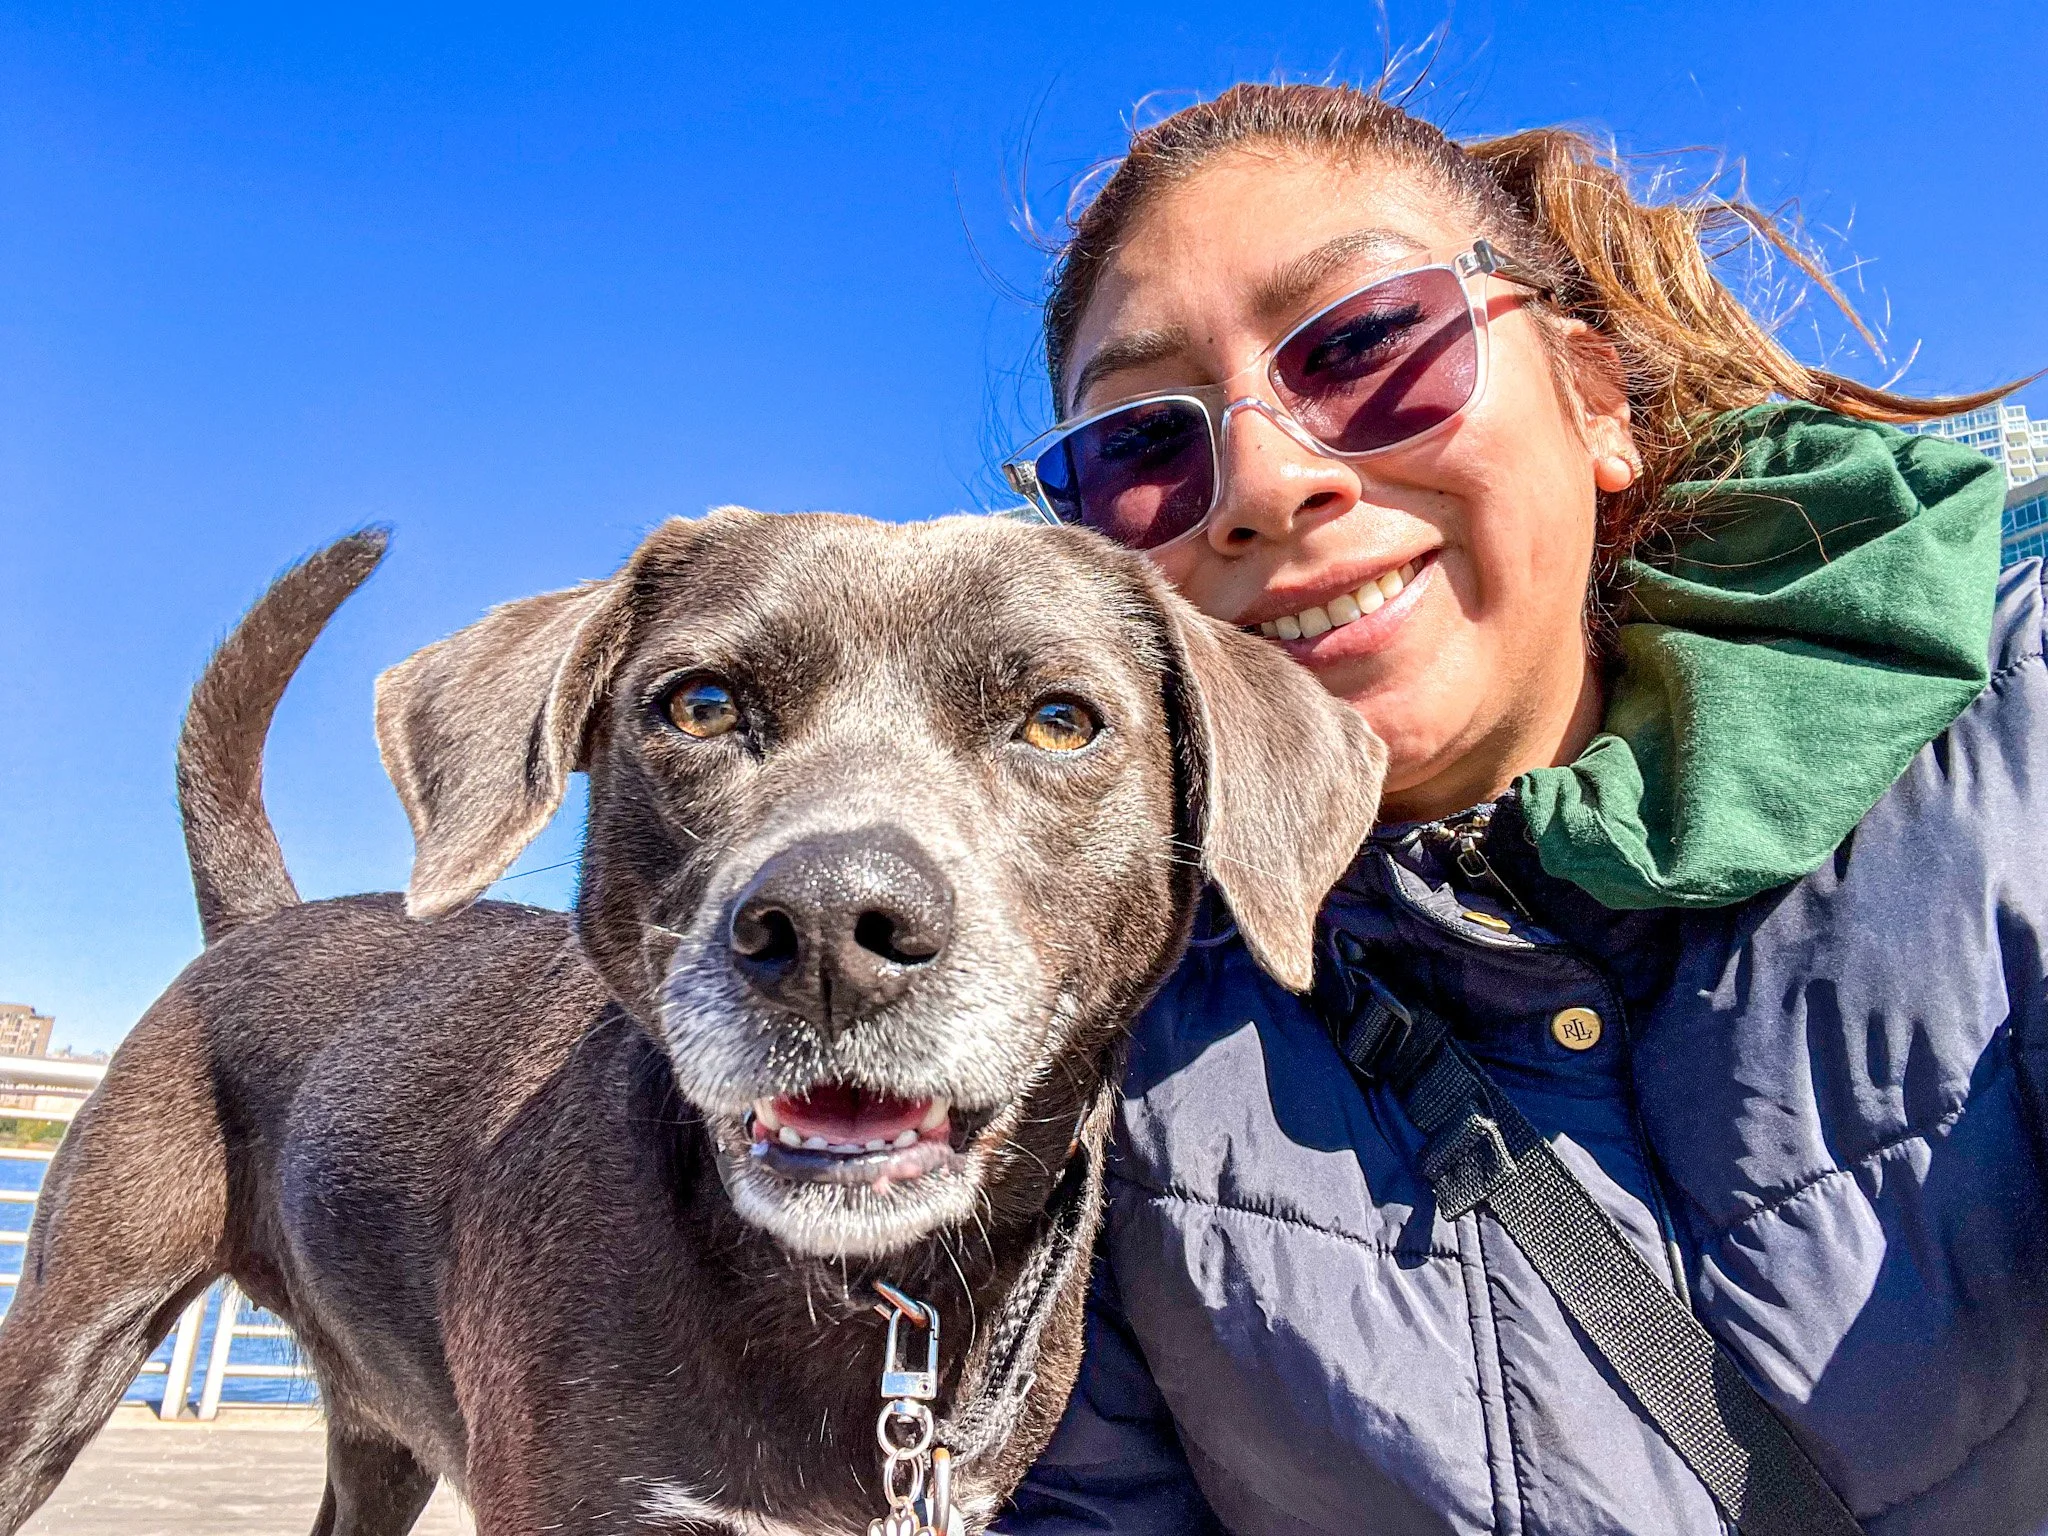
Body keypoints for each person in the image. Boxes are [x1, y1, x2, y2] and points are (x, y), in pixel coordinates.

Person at [992, 82, 2047, 1535]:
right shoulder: (1101, 1045)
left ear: (1593, 402)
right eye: (1141, 449)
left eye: (1365, 345)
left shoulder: (2015, 750)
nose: (1265, 485)